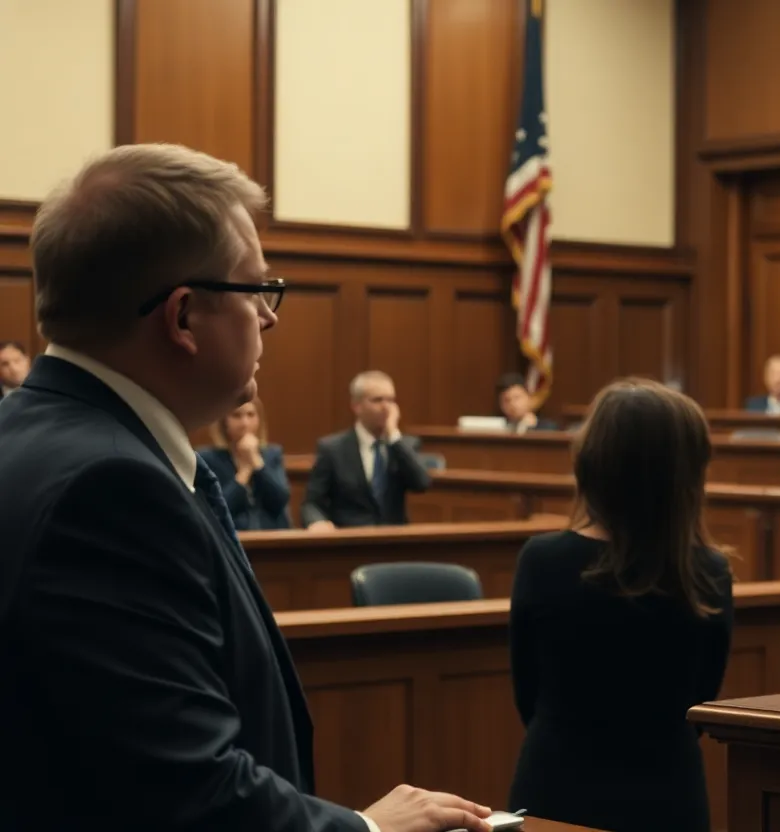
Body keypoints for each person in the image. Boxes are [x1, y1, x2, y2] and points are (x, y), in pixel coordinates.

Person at [0, 144, 491, 832]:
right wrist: (369, 830)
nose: (270, 316)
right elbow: (187, 792)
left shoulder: (30, 433)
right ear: (182, 317)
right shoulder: (111, 491)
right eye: (256, 289)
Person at [507, 377, 734, 832]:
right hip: (669, 792)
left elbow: (526, 691)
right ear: (688, 473)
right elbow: (702, 696)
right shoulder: (708, 571)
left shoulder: (542, 560)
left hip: (557, 782)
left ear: (591, 463)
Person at [301, 371, 431, 529]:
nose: (386, 407)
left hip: (394, 538)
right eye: (377, 400)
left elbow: (422, 483)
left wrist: (394, 437)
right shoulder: (333, 449)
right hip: (350, 538)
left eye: (390, 400)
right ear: (356, 406)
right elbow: (312, 503)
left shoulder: (403, 445)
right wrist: (316, 522)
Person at [198, 397, 292, 530]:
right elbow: (219, 509)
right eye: (236, 416)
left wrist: (256, 461)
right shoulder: (209, 459)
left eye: (251, 415)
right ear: (224, 421)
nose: (245, 423)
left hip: (273, 534)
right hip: (232, 535)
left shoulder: (272, 455)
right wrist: (245, 471)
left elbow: (280, 501)